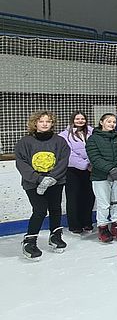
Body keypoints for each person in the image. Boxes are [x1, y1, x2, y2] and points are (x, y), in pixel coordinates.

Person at [16, 111, 70, 260]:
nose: (45, 124)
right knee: (39, 210)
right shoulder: (25, 142)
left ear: (52, 123)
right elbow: (21, 163)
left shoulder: (59, 141)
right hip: (33, 183)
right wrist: (38, 179)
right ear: (35, 123)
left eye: (48, 121)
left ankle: (55, 236)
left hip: (55, 181)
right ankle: (30, 241)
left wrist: (52, 177)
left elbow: (63, 160)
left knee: (55, 208)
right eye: (41, 121)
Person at [86, 113, 117, 243]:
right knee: (104, 203)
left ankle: (116, 225)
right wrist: (110, 169)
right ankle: (103, 227)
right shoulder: (93, 139)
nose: (112, 124)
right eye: (109, 121)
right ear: (101, 122)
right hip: (101, 176)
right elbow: (94, 157)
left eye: (114, 122)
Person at [59, 111, 94, 234]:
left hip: (91, 169)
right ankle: (74, 224)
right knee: (74, 197)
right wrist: (85, 165)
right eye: (77, 119)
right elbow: (68, 153)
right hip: (72, 170)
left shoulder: (92, 132)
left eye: (82, 119)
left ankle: (87, 222)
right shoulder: (64, 135)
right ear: (72, 120)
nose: (80, 121)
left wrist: (92, 163)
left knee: (89, 196)